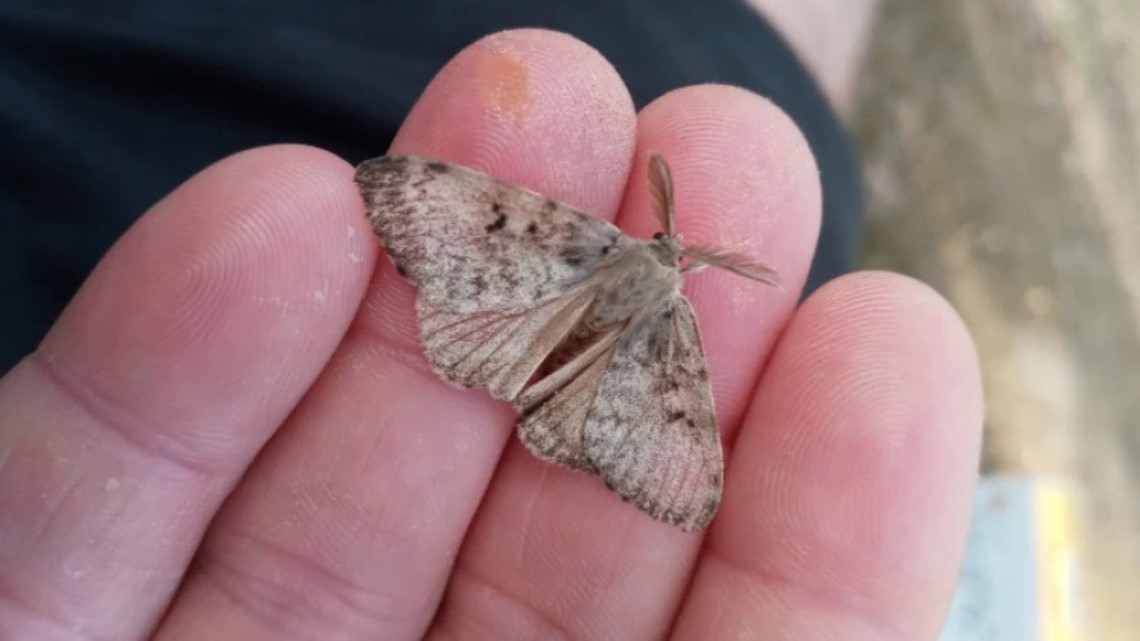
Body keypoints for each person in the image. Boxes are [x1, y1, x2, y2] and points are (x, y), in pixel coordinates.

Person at [0, 4, 982, 639]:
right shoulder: (678, 338)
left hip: (499, 326)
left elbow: (441, 207)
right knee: (792, 140)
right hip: (573, 386)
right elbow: (678, 461)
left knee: (748, 99)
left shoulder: (587, 241)